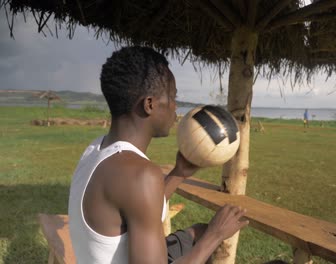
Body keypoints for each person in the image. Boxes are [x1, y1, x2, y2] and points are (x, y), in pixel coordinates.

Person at [68, 46, 249, 264]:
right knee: (207, 237)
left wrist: (178, 173)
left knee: (199, 232)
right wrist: (216, 235)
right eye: (172, 97)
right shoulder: (140, 175)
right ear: (150, 104)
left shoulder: (98, 148)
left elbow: (135, 205)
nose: (175, 108)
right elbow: (137, 191)